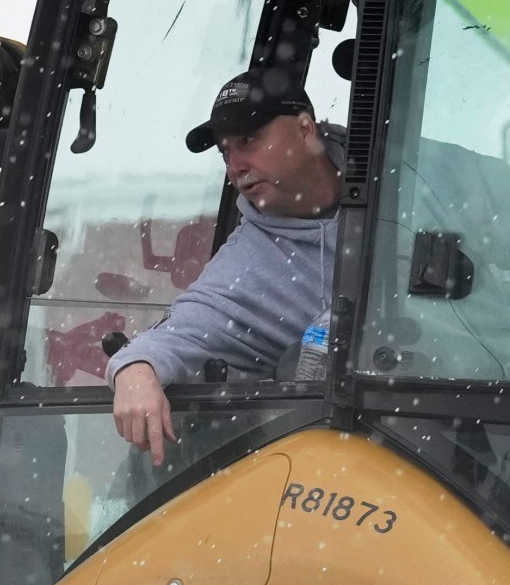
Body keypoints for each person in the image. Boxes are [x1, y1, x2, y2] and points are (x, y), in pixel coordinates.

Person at [108, 71, 342, 463]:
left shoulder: (418, 173)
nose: (236, 166)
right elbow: (185, 328)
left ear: (305, 130)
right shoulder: (250, 261)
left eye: (249, 140)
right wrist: (136, 369)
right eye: (225, 152)